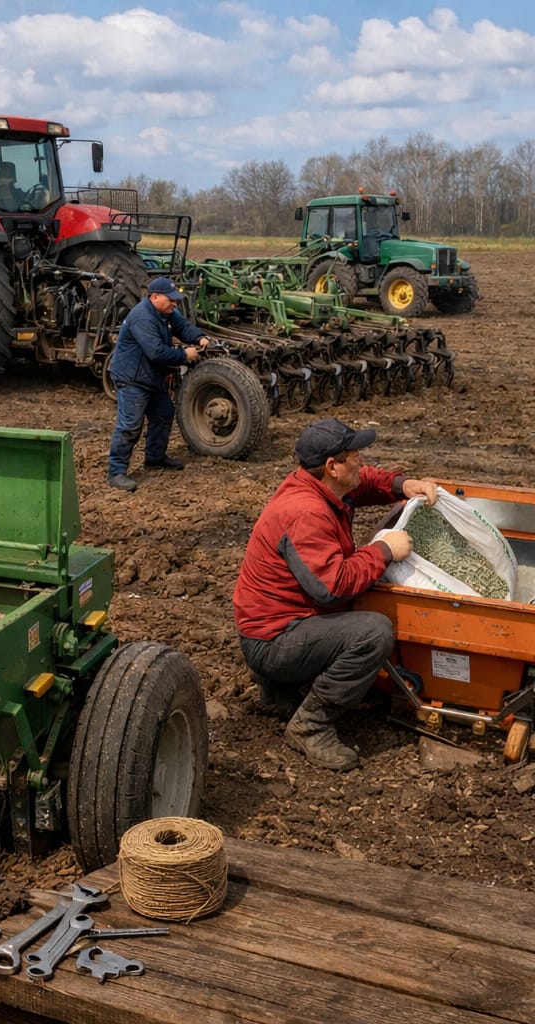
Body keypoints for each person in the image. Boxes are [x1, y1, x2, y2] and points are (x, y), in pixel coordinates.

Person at [232, 418, 438, 771]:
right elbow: (332, 587)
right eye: (355, 454)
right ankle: (311, 725)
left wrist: (404, 484)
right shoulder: (306, 513)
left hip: (281, 621)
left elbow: (365, 480)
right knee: (372, 633)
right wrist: (384, 551)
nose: (361, 460)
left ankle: (282, 687)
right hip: (274, 636)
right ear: (332, 466)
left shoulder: (320, 484)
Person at [107, 276, 209, 492]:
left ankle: (155, 457)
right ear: (154, 297)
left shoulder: (167, 312)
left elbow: (183, 328)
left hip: (151, 375)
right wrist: (184, 354)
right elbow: (156, 353)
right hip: (132, 377)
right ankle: (116, 472)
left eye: (175, 299)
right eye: (171, 299)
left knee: (164, 413)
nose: (175, 303)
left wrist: (200, 338)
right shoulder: (142, 318)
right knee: (130, 425)